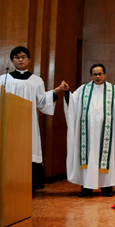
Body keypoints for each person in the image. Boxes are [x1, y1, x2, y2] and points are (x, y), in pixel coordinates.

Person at [0, 46, 69, 192]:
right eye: (17, 57)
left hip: (28, 123)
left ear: (29, 59)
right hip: (9, 123)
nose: (20, 60)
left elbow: (42, 102)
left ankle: (28, 186)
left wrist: (56, 91)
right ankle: (8, 184)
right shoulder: (4, 79)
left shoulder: (36, 80)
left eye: (23, 57)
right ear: (12, 60)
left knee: (29, 150)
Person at [64, 64, 115, 197]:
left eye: (100, 74)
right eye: (95, 74)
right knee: (87, 156)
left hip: (107, 132)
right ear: (91, 75)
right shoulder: (83, 90)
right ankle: (86, 188)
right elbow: (72, 102)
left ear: (104, 74)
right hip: (86, 132)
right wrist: (66, 92)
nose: (98, 76)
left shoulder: (113, 90)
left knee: (106, 156)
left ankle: (107, 187)